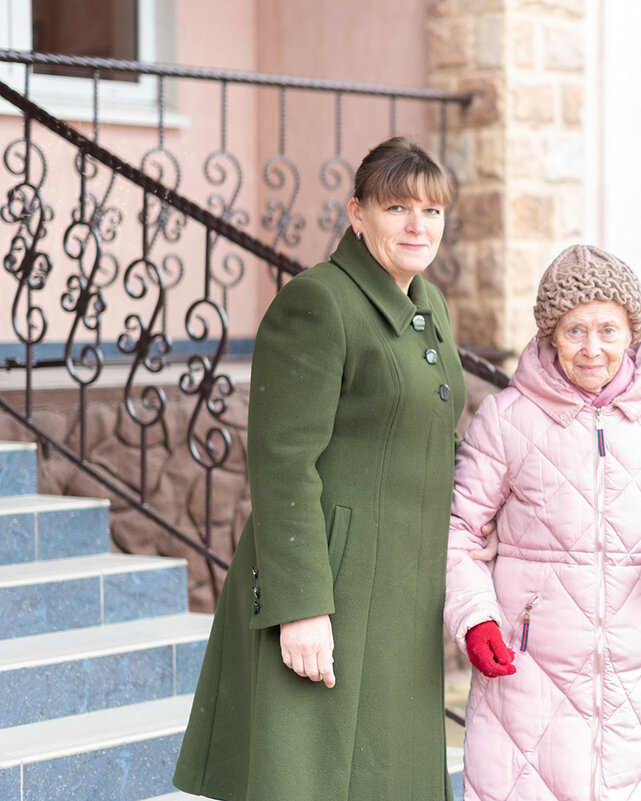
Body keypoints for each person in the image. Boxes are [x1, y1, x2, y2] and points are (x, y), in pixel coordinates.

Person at [173, 137, 467, 801]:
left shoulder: (431, 305)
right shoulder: (319, 302)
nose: (418, 225)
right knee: (313, 776)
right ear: (356, 214)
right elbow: (282, 464)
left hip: (405, 586)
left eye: (432, 210)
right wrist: (302, 606)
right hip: (331, 583)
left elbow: (438, 436)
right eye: (397, 207)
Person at [443, 244, 641, 801]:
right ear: (551, 334)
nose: (593, 349)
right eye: (575, 331)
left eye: (608, 329)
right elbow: (459, 533)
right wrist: (476, 620)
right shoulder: (506, 419)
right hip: (530, 678)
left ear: (632, 334)